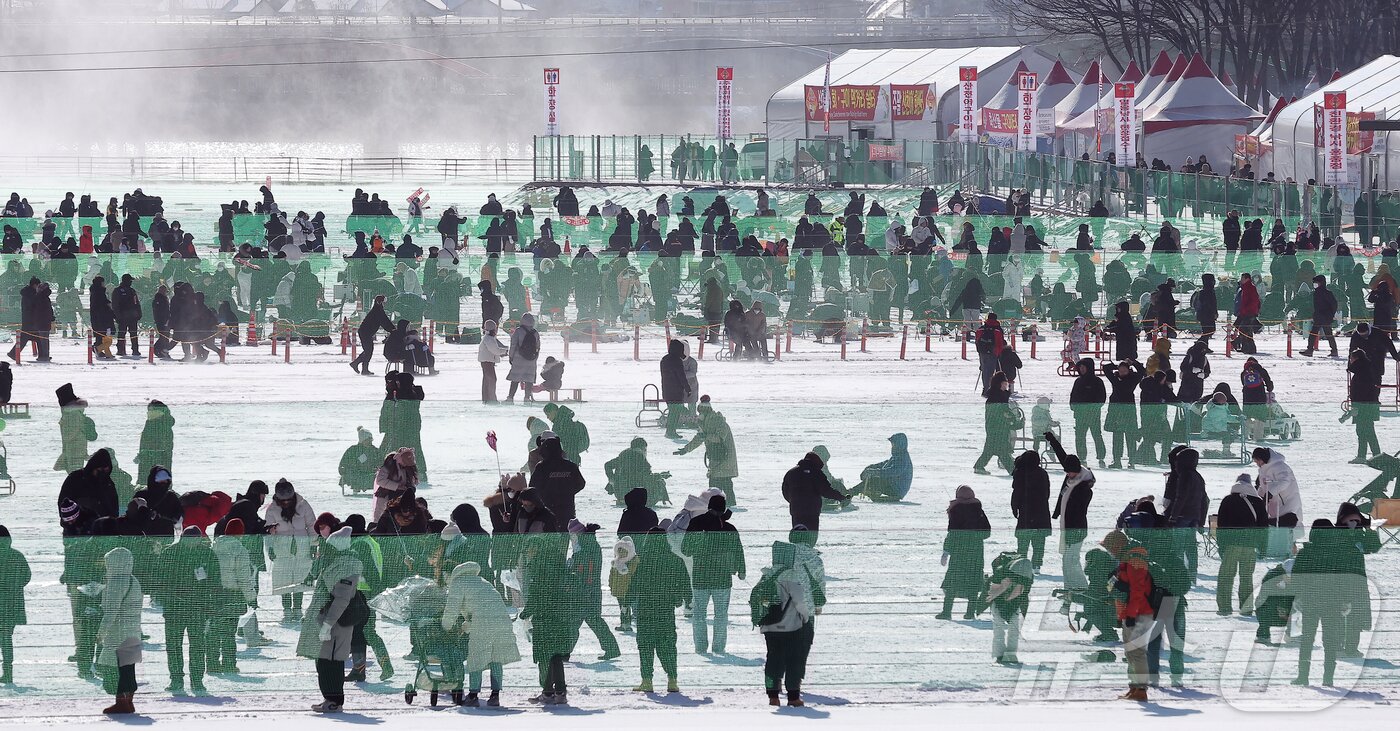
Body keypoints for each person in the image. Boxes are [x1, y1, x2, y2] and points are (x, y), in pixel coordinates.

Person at [297, 526, 362, 713]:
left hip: (335, 624)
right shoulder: (336, 563)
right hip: (326, 621)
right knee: (323, 662)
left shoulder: (346, 567)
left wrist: (327, 624)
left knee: (331, 663)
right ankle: (328, 698)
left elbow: (341, 600)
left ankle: (334, 701)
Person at [441, 561, 521, 707]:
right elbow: (481, 607)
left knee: (476, 656)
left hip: (483, 623)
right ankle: (495, 695)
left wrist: (445, 626)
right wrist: (467, 626)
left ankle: (473, 695)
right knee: (496, 657)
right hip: (501, 620)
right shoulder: (482, 581)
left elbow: (452, 608)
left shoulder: (458, 583)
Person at [157, 526, 221, 695]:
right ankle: (176, 679)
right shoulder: (170, 553)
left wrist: (211, 606)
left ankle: (197, 680)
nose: (193, 543)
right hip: (175, 609)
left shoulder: (207, 554)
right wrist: (167, 599)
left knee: (197, 646)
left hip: (197, 608)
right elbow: (160, 581)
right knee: (174, 646)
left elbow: (215, 583)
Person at [626, 527, 689, 693]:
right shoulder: (675, 559)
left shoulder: (644, 560)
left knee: (645, 645)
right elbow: (684, 581)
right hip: (666, 609)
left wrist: (626, 602)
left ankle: (647, 681)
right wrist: (687, 599)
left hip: (646, 609)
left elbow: (635, 584)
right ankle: (672, 680)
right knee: (668, 645)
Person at [682, 494, 745, 655]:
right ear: (723, 508)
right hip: (722, 578)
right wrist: (741, 569)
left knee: (699, 615)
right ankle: (718, 647)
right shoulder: (729, 528)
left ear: (708, 506)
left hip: (700, 576)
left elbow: (685, 550)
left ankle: (700, 648)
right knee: (721, 615)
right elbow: (738, 550)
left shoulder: (696, 523)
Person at [519, 542, 581, 705]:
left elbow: (536, 595)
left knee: (543, 657)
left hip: (544, 619)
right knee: (556, 657)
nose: (527, 554)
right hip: (560, 619)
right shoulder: (560, 568)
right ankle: (560, 692)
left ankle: (547, 692)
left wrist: (525, 613)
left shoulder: (539, 569)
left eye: (529, 549)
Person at [756, 540, 816, 707]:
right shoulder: (792, 576)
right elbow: (800, 603)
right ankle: (793, 697)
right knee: (793, 661)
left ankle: (773, 696)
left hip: (769, 627)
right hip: (791, 627)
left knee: (773, 659)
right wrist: (805, 619)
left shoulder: (766, 575)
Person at [1103, 530, 1153, 702]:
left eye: (1109, 548)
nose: (1109, 551)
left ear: (1117, 546)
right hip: (1130, 613)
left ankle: (1141, 690)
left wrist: (1131, 615)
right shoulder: (1125, 560)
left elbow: (1138, 591)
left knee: (1137, 653)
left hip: (1139, 614)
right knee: (1130, 653)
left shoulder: (1135, 561)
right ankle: (1133, 688)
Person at [566, 520, 621, 661]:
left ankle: (564, 652)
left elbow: (587, 570)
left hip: (586, 591)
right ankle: (611, 648)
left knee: (577, 621)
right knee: (587, 620)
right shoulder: (585, 546)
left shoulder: (586, 547)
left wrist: (573, 567)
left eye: (572, 535)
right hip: (588, 590)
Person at [98, 547, 143, 715]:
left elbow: (111, 612)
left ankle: (121, 702)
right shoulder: (134, 580)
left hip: (118, 632)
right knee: (128, 668)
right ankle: (128, 702)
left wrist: (101, 633)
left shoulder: (116, 583)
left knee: (117, 669)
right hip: (133, 631)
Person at [1047, 431, 1094, 591]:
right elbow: (1063, 457)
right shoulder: (1074, 476)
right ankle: (1070, 587)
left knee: (1071, 559)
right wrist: (1052, 439)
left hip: (1076, 528)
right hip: (1068, 528)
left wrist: (1071, 531)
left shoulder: (1083, 487)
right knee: (1066, 559)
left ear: (1077, 471)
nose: (1067, 474)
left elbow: (1078, 511)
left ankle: (1082, 587)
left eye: (1069, 472)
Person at [265, 478, 316, 622]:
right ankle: (287, 609)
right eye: (283, 500)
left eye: (289, 500)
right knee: (284, 579)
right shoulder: (272, 509)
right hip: (282, 549)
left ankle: (298, 609)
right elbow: (268, 530)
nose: (286, 502)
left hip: (302, 547)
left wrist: (313, 544)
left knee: (300, 578)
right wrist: (270, 547)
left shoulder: (303, 505)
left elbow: (312, 525)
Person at [674, 397, 740, 507]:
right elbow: (699, 438)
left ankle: (725, 506)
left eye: (701, 410)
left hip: (724, 457)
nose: (700, 413)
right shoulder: (704, 422)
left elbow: (719, 437)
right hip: (716, 458)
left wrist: (706, 436)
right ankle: (723, 505)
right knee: (719, 483)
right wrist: (686, 449)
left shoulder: (718, 420)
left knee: (721, 483)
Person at [937, 486, 991, 620]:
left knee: (952, 582)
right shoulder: (978, 509)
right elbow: (987, 532)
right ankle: (970, 612)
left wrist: (946, 552)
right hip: (976, 553)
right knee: (973, 583)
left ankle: (946, 612)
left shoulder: (955, 509)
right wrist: (974, 536)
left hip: (959, 553)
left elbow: (952, 534)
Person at [1216, 473, 1266, 616]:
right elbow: (1263, 527)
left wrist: (1221, 545)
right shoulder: (1258, 502)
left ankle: (1224, 607)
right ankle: (1246, 607)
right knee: (1246, 577)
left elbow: (1221, 526)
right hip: (1250, 545)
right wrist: (1263, 547)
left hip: (1232, 544)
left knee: (1226, 576)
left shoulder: (1228, 500)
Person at [781, 451, 850, 535]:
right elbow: (826, 490)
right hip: (812, 510)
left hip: (796, 510)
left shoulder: (791, 473)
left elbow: (785, 491)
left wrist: (794, 501)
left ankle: (798, 546)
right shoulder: (817, 473)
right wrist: (841, 497)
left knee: (798, 533)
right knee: (811, 535)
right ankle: (808, 547)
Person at [985, 550, 1034, 665]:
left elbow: (1022, 593)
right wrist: (1003, 588)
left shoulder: (1027, 578)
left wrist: (1009, 595)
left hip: (1015, 600)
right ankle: (999, 655)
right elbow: (991, 593)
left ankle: (1011, 655)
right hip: (997, 598)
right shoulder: (1000, 571)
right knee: (999, 627)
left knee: (1013, 628)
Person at [1010, 450, 1052, 571]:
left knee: (1023, 541)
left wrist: (1015, 507)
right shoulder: (1042, 473)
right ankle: (1037, 564)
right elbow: (1046, 493)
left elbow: (1016, 492)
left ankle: (1020, 563)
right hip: (1041, 511)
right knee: (1039, 541)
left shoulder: (1020, 472)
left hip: (1025, 511)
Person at [529, 435, 586, 524]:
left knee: (549, 535)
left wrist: (544, 495)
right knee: (565, 534)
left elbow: (532, 486)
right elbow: (581, 484)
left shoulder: (542, 467)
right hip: (567, 508)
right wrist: (568, 492)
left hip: (547, 509)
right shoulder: (570, 466)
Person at [0, 525, 29, 684]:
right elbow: (26, 576)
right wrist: (14, 587)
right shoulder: (17, 555)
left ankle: (7, 672)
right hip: (12, 605)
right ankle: (8, 671)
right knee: (6, 638)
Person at [973, 372, 1017, 475]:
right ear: (999, 384)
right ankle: (1013, 470)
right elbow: (1000, 411)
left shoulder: (998, 395)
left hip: (995, 427)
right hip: (997, 427)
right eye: (1004, 384)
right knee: (1001, 450)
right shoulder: (997, 396)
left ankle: (979, 466)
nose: (1006, 386)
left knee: (991, 449)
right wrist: (1007, 416)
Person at [848, 433, 913, 501]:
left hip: (896, 489)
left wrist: (874, 472)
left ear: (899, 444)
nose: (892, 446)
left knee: (874, 480)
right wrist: (870, 467)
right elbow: (884, 464)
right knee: (874, 480)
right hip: (893, 485)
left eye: (893, 444)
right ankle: (853, 492)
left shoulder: (902, 458)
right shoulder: (898, 456)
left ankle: (849, 494)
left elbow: (892, 471)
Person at [1345, 349, 1383, 462]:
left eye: (1351, 359)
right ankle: (1372, 455)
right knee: (1366, 430)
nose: (1350, 361)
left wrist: (1355, 403)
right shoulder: (1367, 368)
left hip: (1363, 405)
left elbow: (1361, 390)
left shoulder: (1361, 370)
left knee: (1364, 431)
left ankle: (1369, 455)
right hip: (1368, 404)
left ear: (1356, 359)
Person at [1069, 358, 1107, 466]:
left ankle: (1101, 457)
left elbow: (1102, 398)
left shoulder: (1097, 381)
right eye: (1080, 367)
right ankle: (1081, 457)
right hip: (1080, 414)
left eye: (1083, 367)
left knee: (1096, 435)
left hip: (1093, 414)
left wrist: (1094, 408)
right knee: (1080, 436)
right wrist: (1073, 407)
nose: (1081, 369)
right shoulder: (1078, 381)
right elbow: (1073, 396)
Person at [1254, 448, 1301, 528]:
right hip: (1275, 505)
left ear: (1262, 458)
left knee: (1287, 524)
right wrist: (1259, 496)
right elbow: (1264, 485)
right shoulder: (1263, 469)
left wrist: (1270, 493)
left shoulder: (1279, 466)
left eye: (1257, 461)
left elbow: (1285, 481)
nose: (1257, 463)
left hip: (1287, 502)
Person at [349, 294, 393, 375]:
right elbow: (385, 322)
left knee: (368, 350)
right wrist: (392, 329)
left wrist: (391, 329)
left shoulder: (378, 310)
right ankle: (363, 369)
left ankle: (356, 363)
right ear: (380, 302)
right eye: (383, 302)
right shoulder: (378, 311)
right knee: (368, 351)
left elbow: (385, 321)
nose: (385, 304)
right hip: (365, 333)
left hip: (366, 332)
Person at [1299, 274, 1339, 357]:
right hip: (1319, 316)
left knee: (1325, 334)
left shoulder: (1325, 293)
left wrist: (1330, 315)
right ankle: (1311, 350)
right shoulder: (1317, 293)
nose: (1315, 285)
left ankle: (1332, 350)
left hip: (1324, 317)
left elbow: (1333, 305)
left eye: (1316, 283)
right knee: (1318, 334)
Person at [506, 313, 540, 402]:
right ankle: (527, 397)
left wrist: (511, 356)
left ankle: (510, 397)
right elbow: (537, 347)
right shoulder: (535, 332)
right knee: (529, 380)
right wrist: (535, 357)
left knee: (515, 379)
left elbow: (513, 344)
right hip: (531, 360)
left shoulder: (518, 331)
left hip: (519, 359)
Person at [660, 339, 690, 438]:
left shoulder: (664, 360)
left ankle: (670, 431)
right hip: (676, 392)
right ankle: (671, 432)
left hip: (667, 390)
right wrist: (687, 388)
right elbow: (681, 376)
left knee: (672, 413)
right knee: (675, 414)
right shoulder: (677, 361)